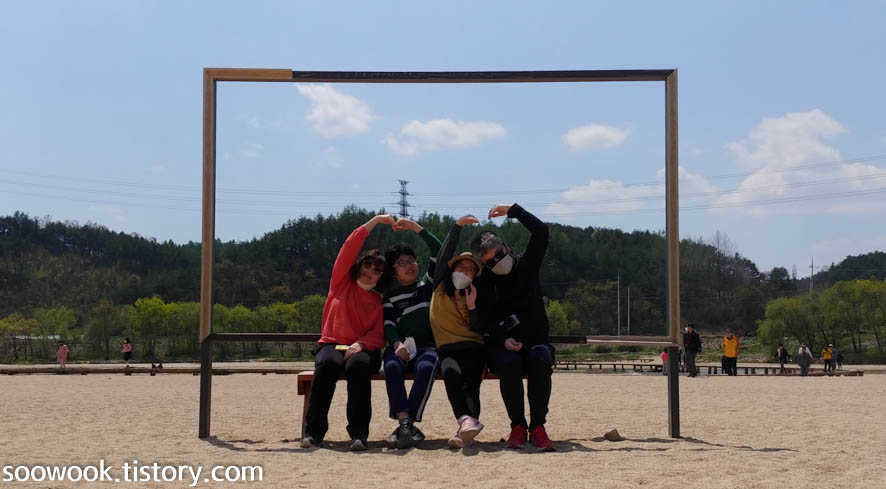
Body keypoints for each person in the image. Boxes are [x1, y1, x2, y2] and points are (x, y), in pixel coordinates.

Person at [300, 214, 394, 451]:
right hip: (332, 344)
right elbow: (349, 247)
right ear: (360, 264)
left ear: (382, 276)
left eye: (377, 270)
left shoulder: (378, 301)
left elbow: (379, 334)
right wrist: (375, 221)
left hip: (363, 349)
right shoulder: (340, 282)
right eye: (367, 264)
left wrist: (361, 344)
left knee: (358, 367)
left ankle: (359, 435)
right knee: (327, 365)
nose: (370, 271)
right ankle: (314, 433)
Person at [471, 203, 556, 452]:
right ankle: (517, 426)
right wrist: (502, 339)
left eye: (499, 254)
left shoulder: (527, 265)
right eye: (489, 262)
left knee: (540, 359)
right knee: (509, 363)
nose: (497, 262)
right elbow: (485, 320)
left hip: (536, 341)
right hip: (503, 346)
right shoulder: (484, 283)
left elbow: (541, 232)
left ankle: (538, 426)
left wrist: (514, 211)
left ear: (506, 246)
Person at [380, 218, 442, 449]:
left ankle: (406, 423)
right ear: (393, 271)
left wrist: (415, 227)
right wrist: (396, 344)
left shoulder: (427, 286)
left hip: (427, 347)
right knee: (392, 366)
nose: (410, 266)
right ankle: (406, 423)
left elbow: (438, 250)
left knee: (426, 367)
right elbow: (388, 324)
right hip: (400, 348)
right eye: (402, 263)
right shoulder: (389, 296)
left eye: (412, 261)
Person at [429, 214, 486, 449]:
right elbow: (444, 254)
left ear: (475, 276)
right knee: (451, 373)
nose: (464, 271)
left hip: (474, 346)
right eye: (460, 267)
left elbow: (481, 328)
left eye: (470, 270)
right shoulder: (440, 286)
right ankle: (466, 422)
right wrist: (457, 227)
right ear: (452, 269)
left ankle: (465, 431)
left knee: (470, 383)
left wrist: (472, 307)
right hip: (446, 348)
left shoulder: (476, 294)